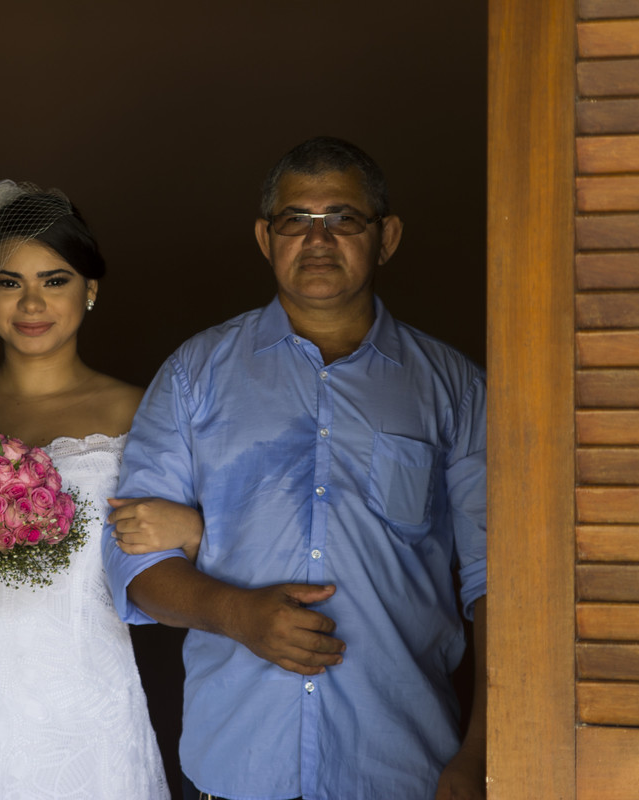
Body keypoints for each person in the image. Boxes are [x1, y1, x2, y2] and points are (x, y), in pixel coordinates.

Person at [104, 137, 487, 800]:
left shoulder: (453, 388)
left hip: (403, 767)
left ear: (386, 236)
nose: (318, 239)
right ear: (264, 236)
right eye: (295, 221)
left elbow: (498, 584)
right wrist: (236, 613)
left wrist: (480, 755)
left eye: (343, 218)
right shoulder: (195, 375)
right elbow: (131, 565)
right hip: (240, 764)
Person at [0, 180, 201, 799]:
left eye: (54, 279)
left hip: (88, 714)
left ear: (90, 289)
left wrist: (193, 530)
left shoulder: (143, 413)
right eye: (8, 281)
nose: (31, 303)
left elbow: (185, 555)